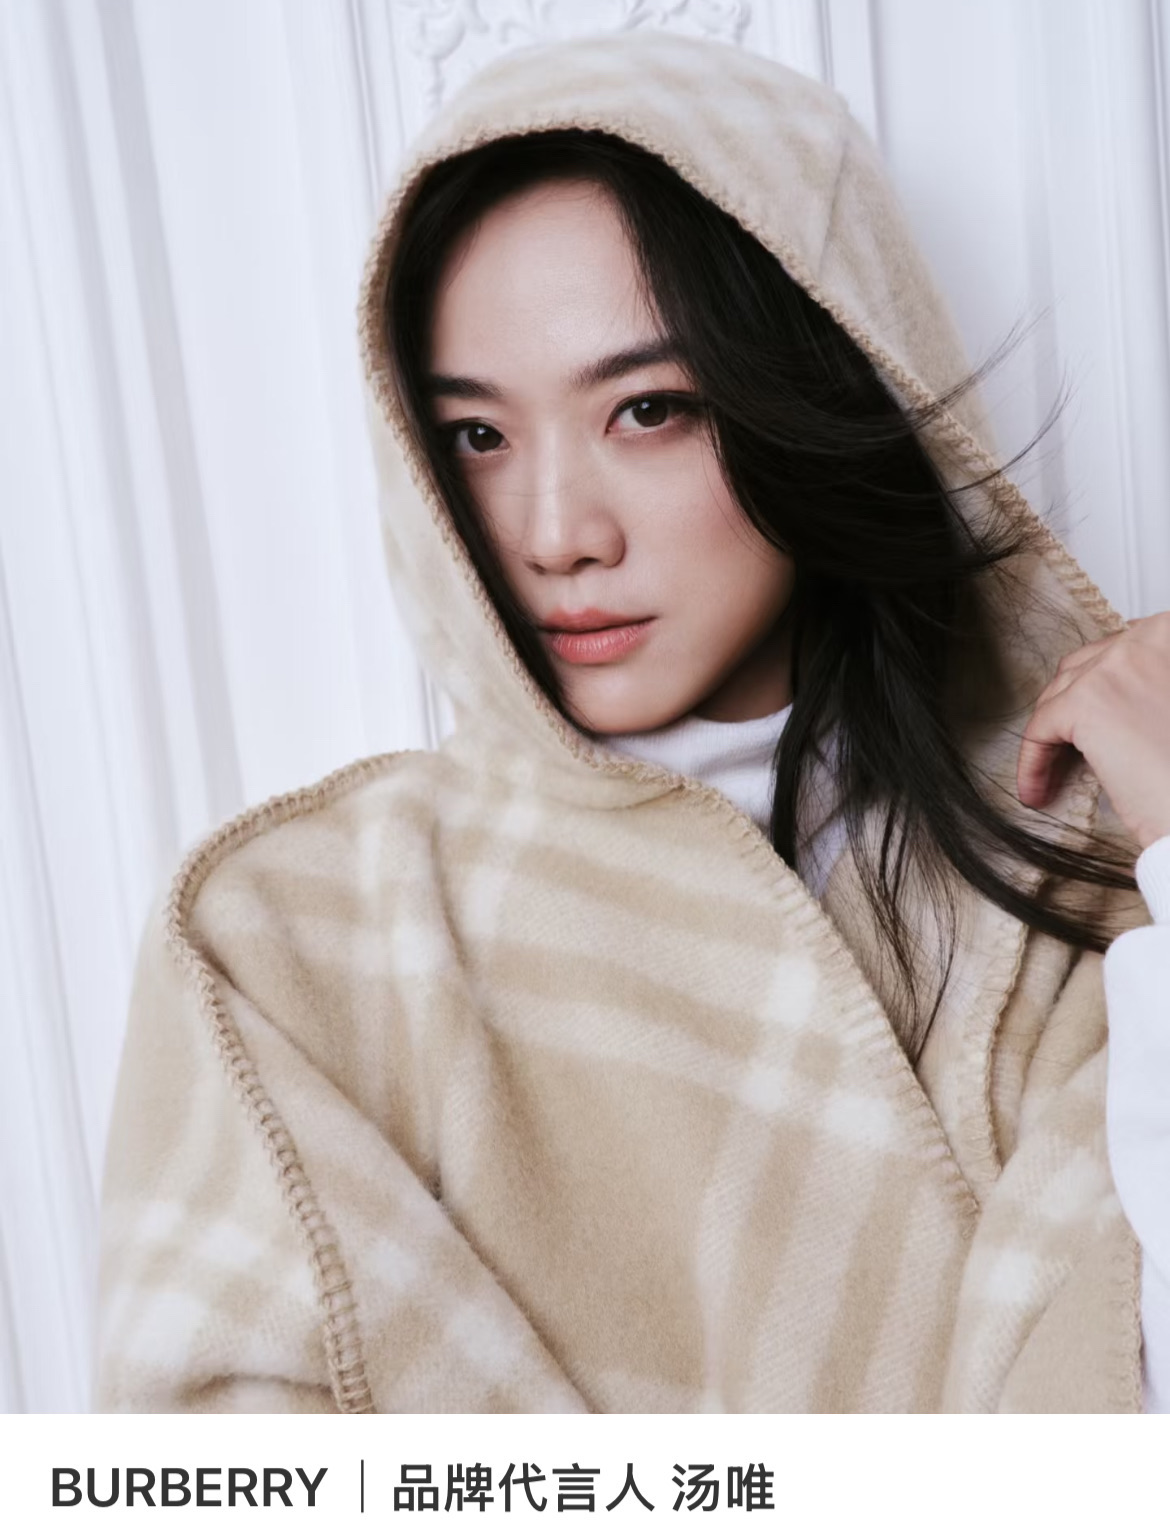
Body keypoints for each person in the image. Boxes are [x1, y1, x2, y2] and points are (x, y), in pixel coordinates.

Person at [96, 30, 1170, 1413]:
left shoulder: (1085, 865)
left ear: (829, 385)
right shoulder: (296, 932)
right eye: (478, 436)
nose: (555, 533)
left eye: (649, 410)